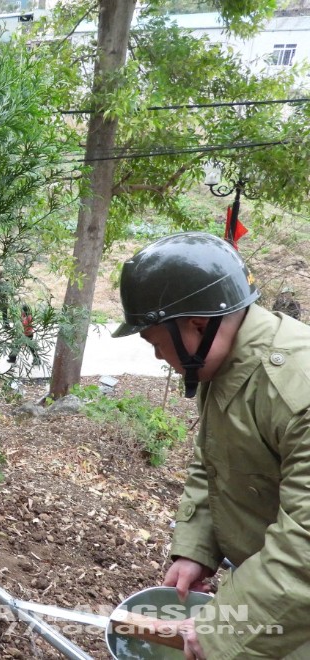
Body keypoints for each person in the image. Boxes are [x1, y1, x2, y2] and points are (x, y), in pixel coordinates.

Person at [113, 231, 310, 659]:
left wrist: (226, 626)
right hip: (273, 592)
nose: (156, 356)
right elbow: (215, 462)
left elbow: (306, 548)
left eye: (154, 340)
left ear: (197, 325)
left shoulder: (296, 391)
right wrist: (196, 550)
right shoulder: (225, 363)